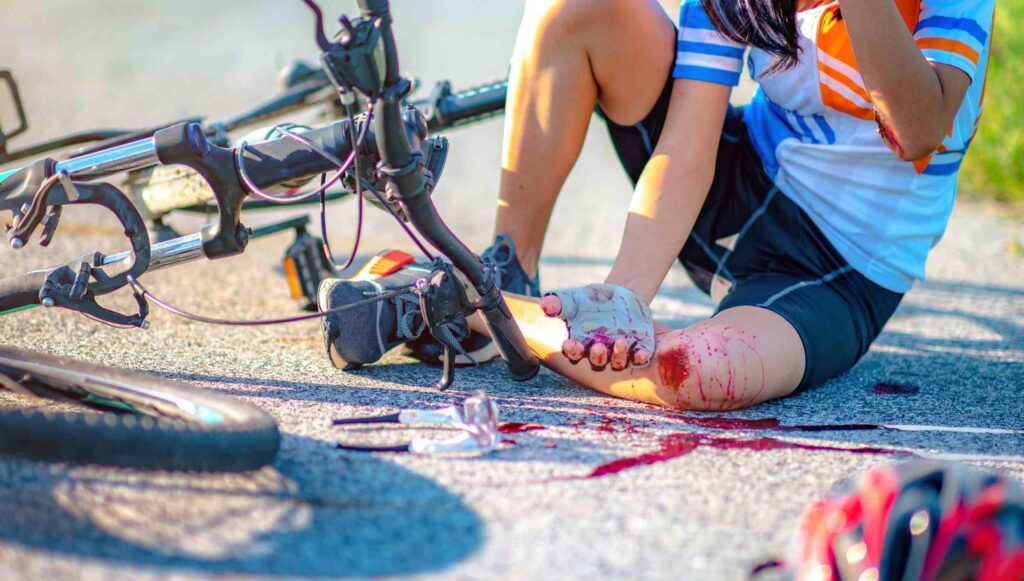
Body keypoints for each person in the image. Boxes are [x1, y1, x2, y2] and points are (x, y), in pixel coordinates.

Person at [319, 0, 993, 411]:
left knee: (693, 375)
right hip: (739, 181)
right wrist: (623, 303)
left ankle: (473, 308)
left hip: (840, 272)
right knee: (581, 5)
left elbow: (916, 129)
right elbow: (687, 152)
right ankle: (505, 268)